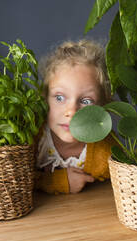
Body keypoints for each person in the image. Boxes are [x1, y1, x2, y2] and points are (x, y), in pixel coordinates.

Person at [35, 39, 116, 194]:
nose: (71, 111)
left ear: (102, 107)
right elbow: (14, 179)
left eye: (86, 101)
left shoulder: (106, 151)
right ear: (45, 98)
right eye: (59, 97)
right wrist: (59, 181)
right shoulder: (34, 138)